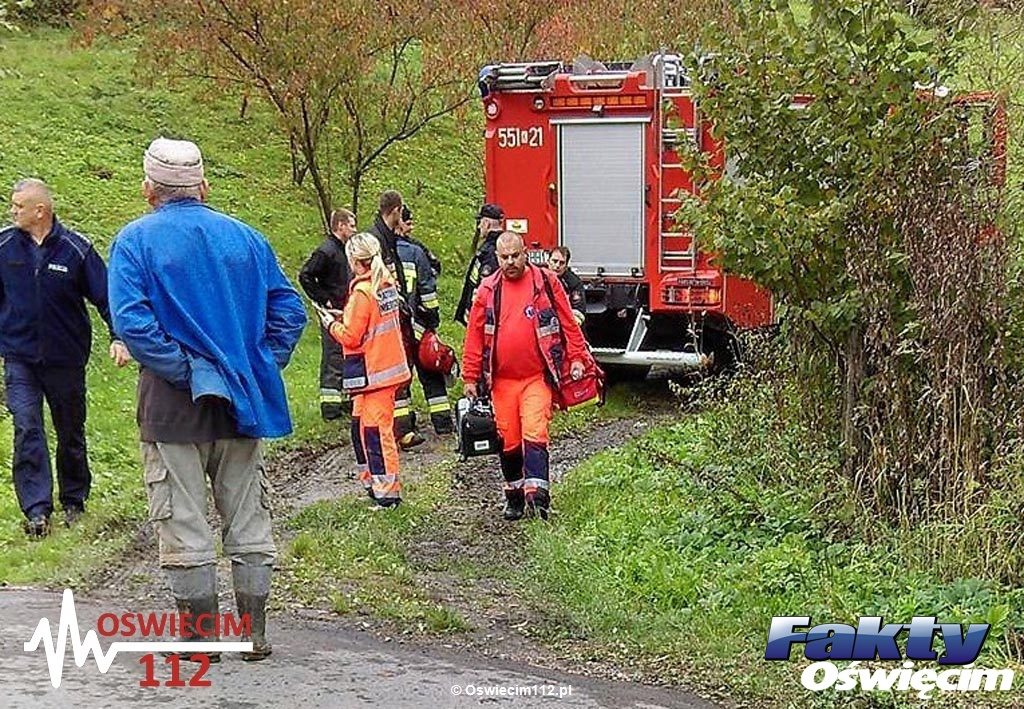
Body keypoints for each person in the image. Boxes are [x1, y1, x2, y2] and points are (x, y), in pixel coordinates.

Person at [108, 137, 307, 662]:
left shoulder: (134, 242)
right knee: (248, 519)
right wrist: (257, 365)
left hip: (172, 409)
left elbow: (133, 324)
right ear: (203, 186)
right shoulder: (246, 239)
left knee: (184, 522)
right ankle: (253, 634)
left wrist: (190, 372)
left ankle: (201, 641)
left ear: (149, 189)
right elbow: (290, 312)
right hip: (243, 404)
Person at [1, 178, 130, 538]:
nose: (12, 212)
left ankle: (74, 499)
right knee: (27, 427)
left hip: (66, 359)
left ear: (39, 210)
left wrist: (119, 337)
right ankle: (36, 510)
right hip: (19, 357)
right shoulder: (3, 246)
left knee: (70, 430)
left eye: (18, 206)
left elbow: (107, 299)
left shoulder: (77, 250)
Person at [462, 232, 588, 521]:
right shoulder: (487, 290)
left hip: (536, 377)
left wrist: (577, 358)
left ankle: (539, 499)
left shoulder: (546, 282)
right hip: (502, 382)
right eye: (504, 258)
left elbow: (568, 322)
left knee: (535, 433)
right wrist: (470, 377)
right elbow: (474, 336)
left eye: (515, 256)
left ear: (525, 254)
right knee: (509, 440)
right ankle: (515, 496)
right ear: (497, 259)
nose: (510, 262)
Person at [321, 232, 411, 508]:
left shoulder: (363, 291)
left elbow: (351, 336)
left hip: (374, 372)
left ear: (354, 261)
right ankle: (375, 483)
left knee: (375, 432)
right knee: (362, 428)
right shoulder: (384, 284)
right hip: (383, 369)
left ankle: (387, 493)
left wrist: (330, 325)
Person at [366, 190, 424, 449]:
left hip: (393, 314)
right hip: (384, 318)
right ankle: (394, 431)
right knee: (392, 373)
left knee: (399, 371)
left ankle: (399, 429)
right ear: (397, 210)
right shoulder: (377, 240)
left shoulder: (384, 237)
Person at [394, 206, 453, 435]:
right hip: (418, 323)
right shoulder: (416, 251)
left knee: (400, 378)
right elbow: (428, 289)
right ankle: (443, 423)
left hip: (395, 329)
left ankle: (404, 427)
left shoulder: (379, 251)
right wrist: (432, 319)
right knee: (431, 370)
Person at [298, 208, 356, 421]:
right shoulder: (326, 250)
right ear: (340, 226)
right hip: (333, 312)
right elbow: (305, 276)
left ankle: (346, 401)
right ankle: (330, 407)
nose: (354, 229)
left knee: (345, 356)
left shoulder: (342, 250)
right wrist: (324, 300)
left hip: (346, 311)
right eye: (351, 225)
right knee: (333, 356)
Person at [455, 203, 504, 326]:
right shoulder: (498, 247)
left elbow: (486, 288)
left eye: (480, 222)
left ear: (486, 223)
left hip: (483, 319)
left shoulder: (489, 252)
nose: (479, 226)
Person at [547, 246, 586, 326]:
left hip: (567, 325)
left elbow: (579, 311)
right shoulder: (539, 279)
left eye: (561, 263)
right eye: (554, 261)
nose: (557, 265)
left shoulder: (574, 282)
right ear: (548, 261)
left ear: (566, 265)